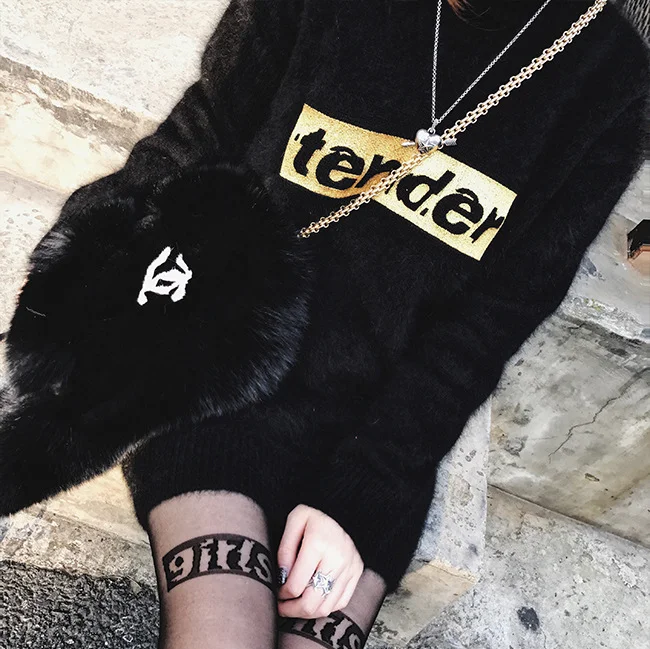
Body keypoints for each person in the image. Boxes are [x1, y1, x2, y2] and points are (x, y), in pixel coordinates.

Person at [3, 0, 647, 647]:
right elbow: (200, 133)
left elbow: (494, 319)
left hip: (380, 424)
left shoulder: (612, 78)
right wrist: (81, 274)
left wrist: (359, 493)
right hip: (223, 366)